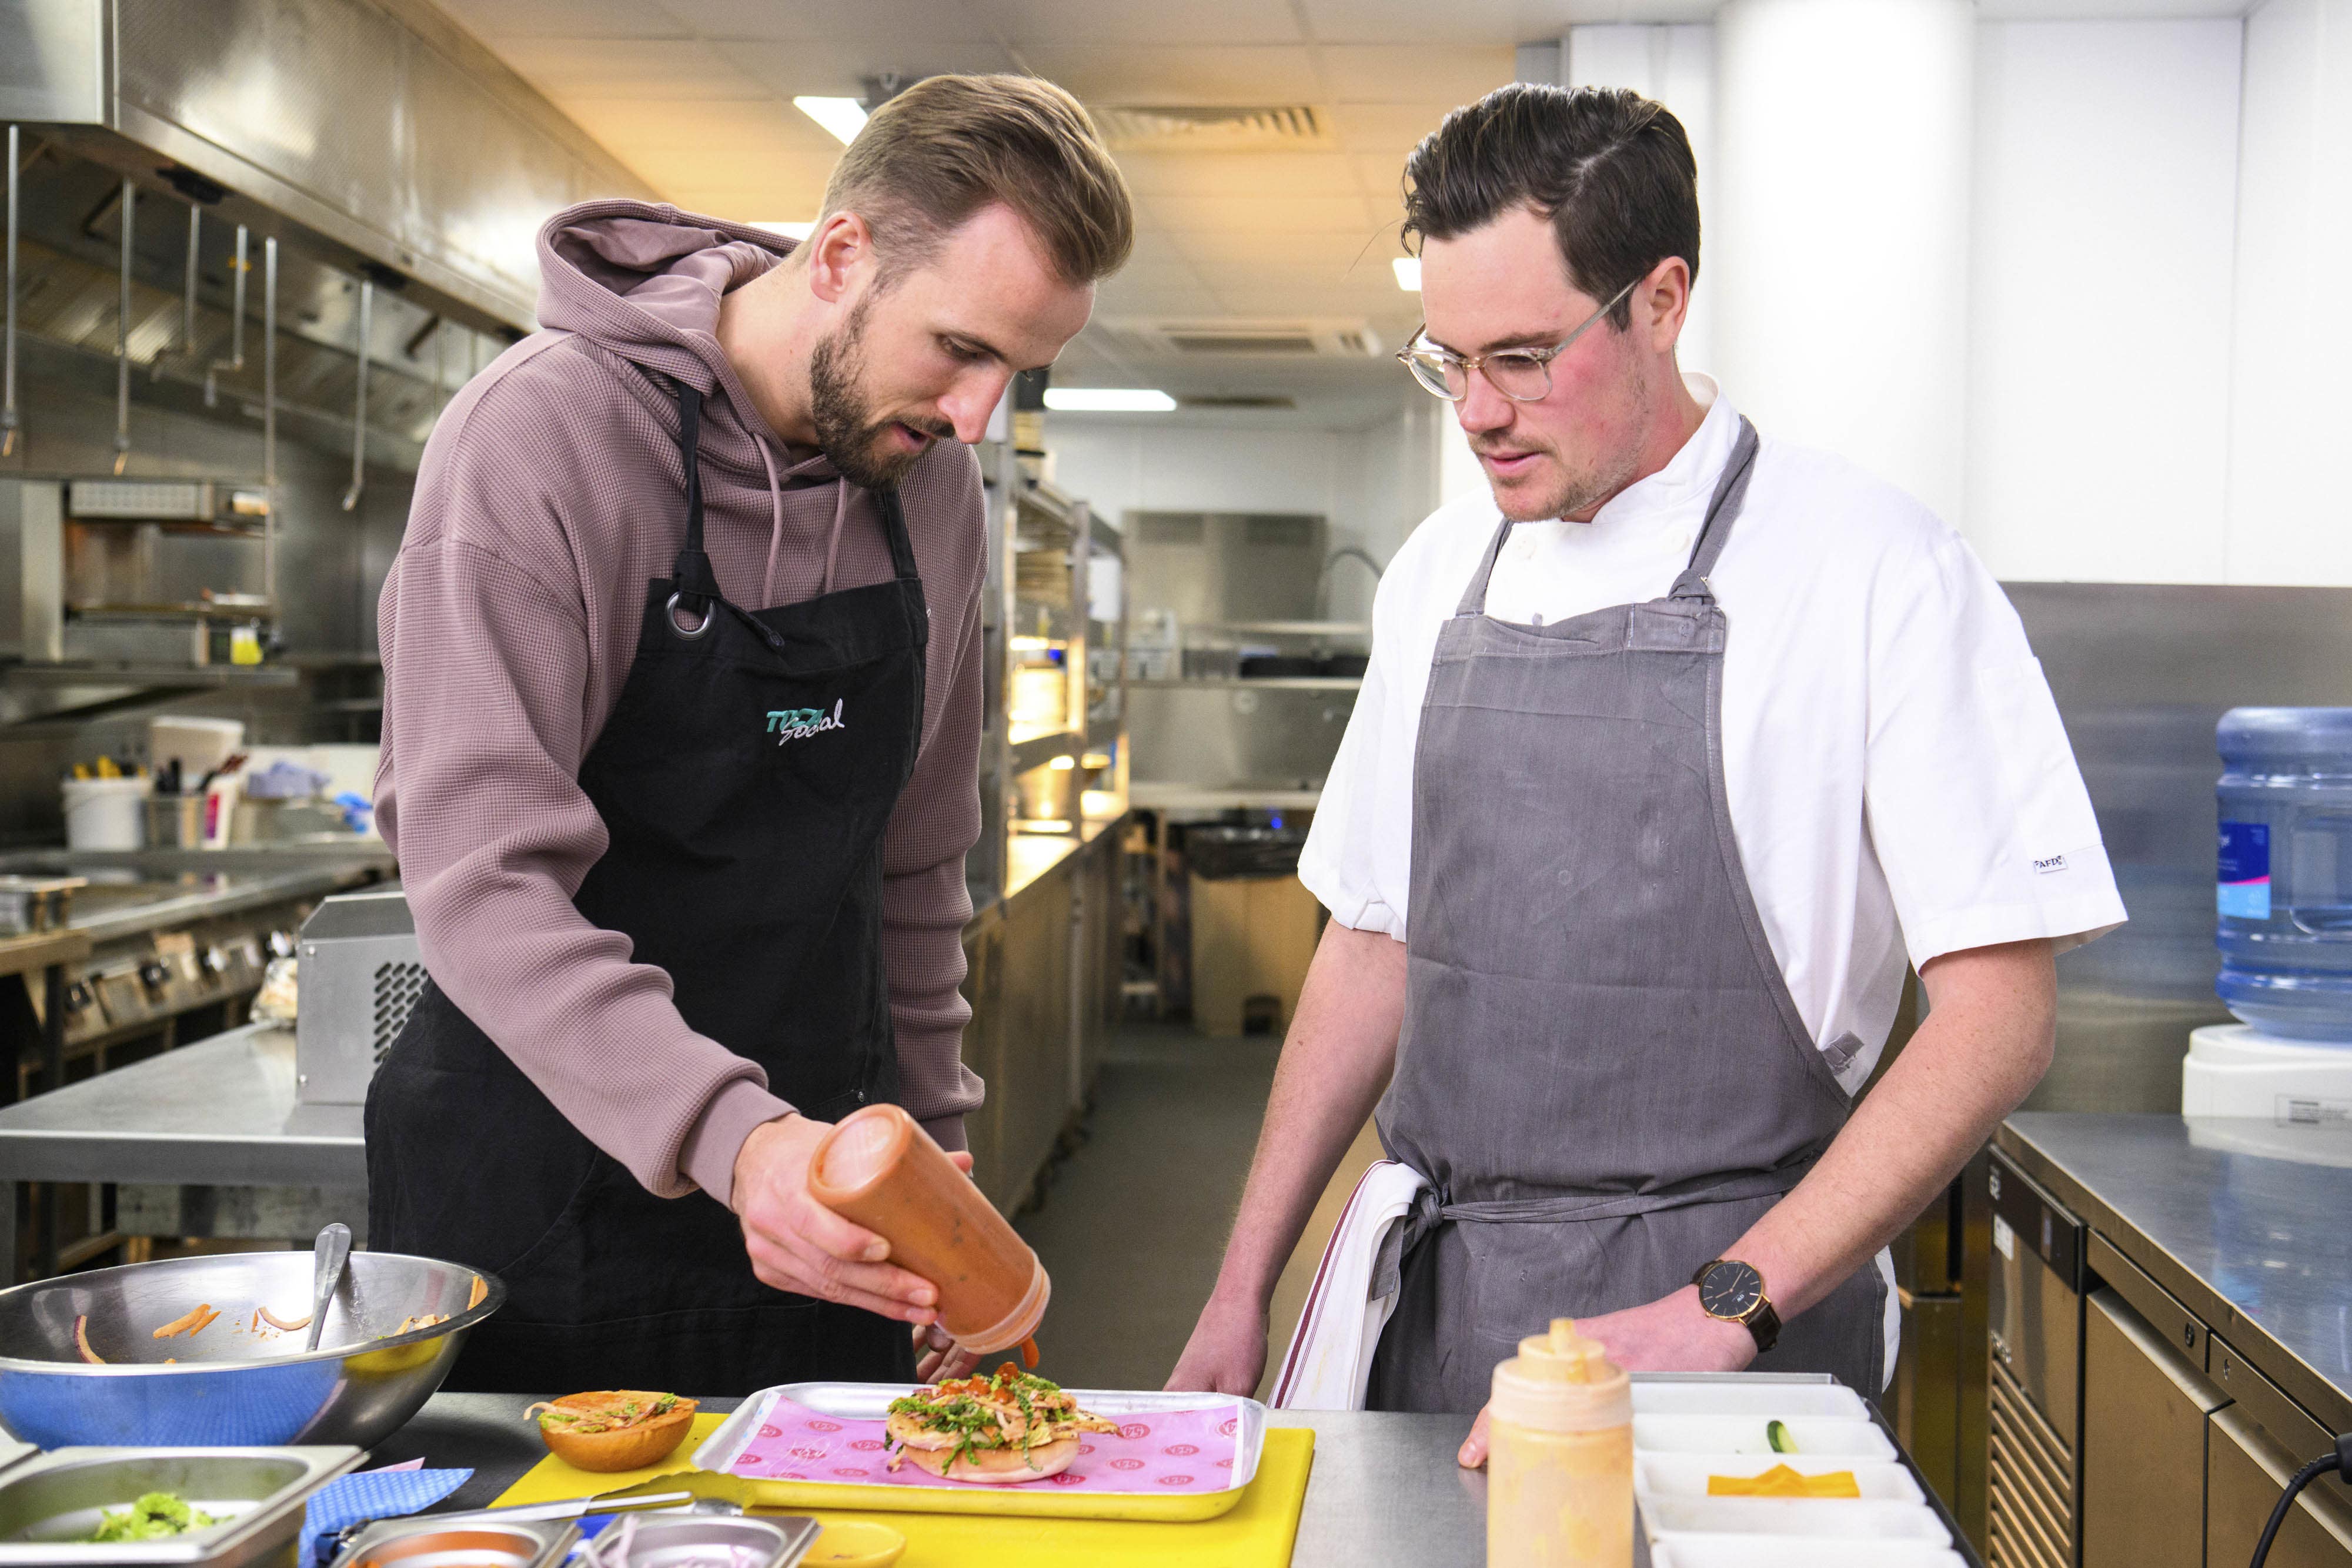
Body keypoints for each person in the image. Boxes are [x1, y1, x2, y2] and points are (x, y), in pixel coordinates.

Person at [1168, 83, 2124, 1466]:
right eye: (1447, 361)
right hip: (1438, 1314)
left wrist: (1726, 1300)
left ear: (1659, 300)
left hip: (1732, 1334)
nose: (1478, 413)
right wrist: (1239, 1282)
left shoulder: (1872, 570)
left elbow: (1998, 1015)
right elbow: (1374, 941)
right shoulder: (1443, 572)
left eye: (1523, 356)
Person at [366, 74, 1132, 1395]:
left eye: (1019, 369)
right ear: (839, 257)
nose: (976, 417)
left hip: (826, 1202)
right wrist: (738, 1141)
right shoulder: (543, 440)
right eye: (959, 347)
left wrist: (944, 1203)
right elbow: (481, 879)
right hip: (548, 1193)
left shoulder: (932, 496)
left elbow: (914, 868)